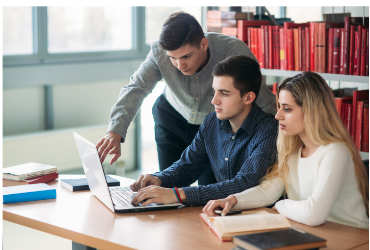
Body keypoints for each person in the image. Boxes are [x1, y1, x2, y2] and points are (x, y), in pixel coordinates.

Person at [96, 11, 276, 186]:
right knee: (165, 183)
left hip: (213, 126)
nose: (179, 65)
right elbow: (136, 87)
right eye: (172, 58)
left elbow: (261, 97)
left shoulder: (234, 51)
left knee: (208, 189)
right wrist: (115, 131)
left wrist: (281, 135)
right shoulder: (159, 52)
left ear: (203, 44)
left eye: (186, 56)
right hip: (171, 118)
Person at [202, 71, 369, 229]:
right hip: (319, 234)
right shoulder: (294, 153)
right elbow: (268, 191)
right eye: (279, 106)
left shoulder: (335, 152)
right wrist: (231, 200)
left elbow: (313, 215)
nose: (278, 115)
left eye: (287, 109)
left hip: (353, 239)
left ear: (312, 112)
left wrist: (280, 204)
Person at [129, 55, 278, 207]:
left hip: (258, 217)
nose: (214, 100)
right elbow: (187, 166)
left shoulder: (269, 130)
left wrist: (178, 194)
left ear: (248, 98)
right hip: (222, 213)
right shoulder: (211, 122)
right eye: (215, 92)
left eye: (224, 93)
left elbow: (243, 185)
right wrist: (159, 179)